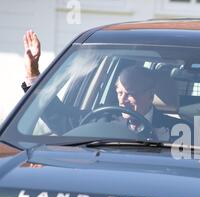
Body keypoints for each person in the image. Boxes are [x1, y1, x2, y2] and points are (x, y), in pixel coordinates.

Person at [21, 30, 173, 141]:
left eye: (130, 93)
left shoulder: (178, 130)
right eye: (120, 93)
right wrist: (33, 74)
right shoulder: (98, 120)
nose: (122, 100)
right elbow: (58, 115)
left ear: (150, 95)